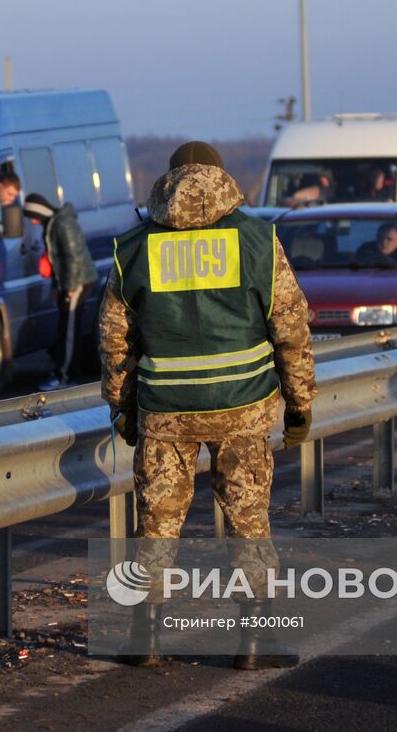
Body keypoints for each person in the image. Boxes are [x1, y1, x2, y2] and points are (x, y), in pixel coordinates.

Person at [100, 141, 316, 670]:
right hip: (242, 408)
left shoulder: (134, 249)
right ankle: (254, 641)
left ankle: (145, 638)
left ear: (168, 181)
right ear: (222, 178)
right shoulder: (259, 240)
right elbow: (290, 327)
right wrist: (299, 404)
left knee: (156, 522)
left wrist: (123, 407)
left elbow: (114, 340)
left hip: (165, 411)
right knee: (248, 520)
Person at [23, 192, 98, 391]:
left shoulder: (62, 224)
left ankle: (64, 375)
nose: (32, 220)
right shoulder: (53, 223)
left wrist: (71, 287)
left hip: (78, 281)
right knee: (66, 328)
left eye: (32, 215)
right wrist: (58, 286)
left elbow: (73, 257)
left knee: (69, 331)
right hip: (70, 282)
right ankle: (67, 371)